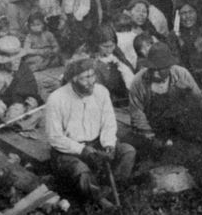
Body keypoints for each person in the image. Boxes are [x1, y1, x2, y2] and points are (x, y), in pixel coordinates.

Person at [45, 57, 136, 208]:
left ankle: (107, 188)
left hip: (97, 144)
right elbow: (54, 137)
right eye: (86, 78)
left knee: (128, 151)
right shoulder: (56, 99)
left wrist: (108, 144)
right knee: (80, 170)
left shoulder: (101, 92)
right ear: (73, 79)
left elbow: (109, 122)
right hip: (68, 150)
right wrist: (81, 150)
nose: (91, 81)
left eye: (93, 75)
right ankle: (100, 200)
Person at [128, 43, 202, 185]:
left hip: (180, 126)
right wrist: (151, 136)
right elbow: (137, 113)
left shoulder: (181, 74)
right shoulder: (139, 81)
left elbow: (198, 102)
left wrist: (186, 93)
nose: (155, 73)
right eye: (152, 69)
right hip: (153, 128)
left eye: (160, 69)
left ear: (169, 66)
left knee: (194, 152)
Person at [0, 35, 42, 126]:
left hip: (19, 102)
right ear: (2, 60)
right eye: (12, 60)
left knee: (16, 116)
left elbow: (31, 90)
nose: (16, 62)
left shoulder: (24, 68)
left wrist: (29, 104)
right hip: (1, 102)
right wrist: (1, 116)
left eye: (18, 58)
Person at [168, 1, 202, 89]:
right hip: (184, 81)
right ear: (178, 17)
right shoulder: (173, 36)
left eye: (191, 12)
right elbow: (175, 62)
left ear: (196, 13)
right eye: (183, 13)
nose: (188, 16)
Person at [91, 23, 135, 102]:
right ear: (97, 44)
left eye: (112, 46)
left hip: (122, 97)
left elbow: (129, 71)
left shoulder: (117, 54)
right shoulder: (91, 59)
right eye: (105, 46)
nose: (109, 50)